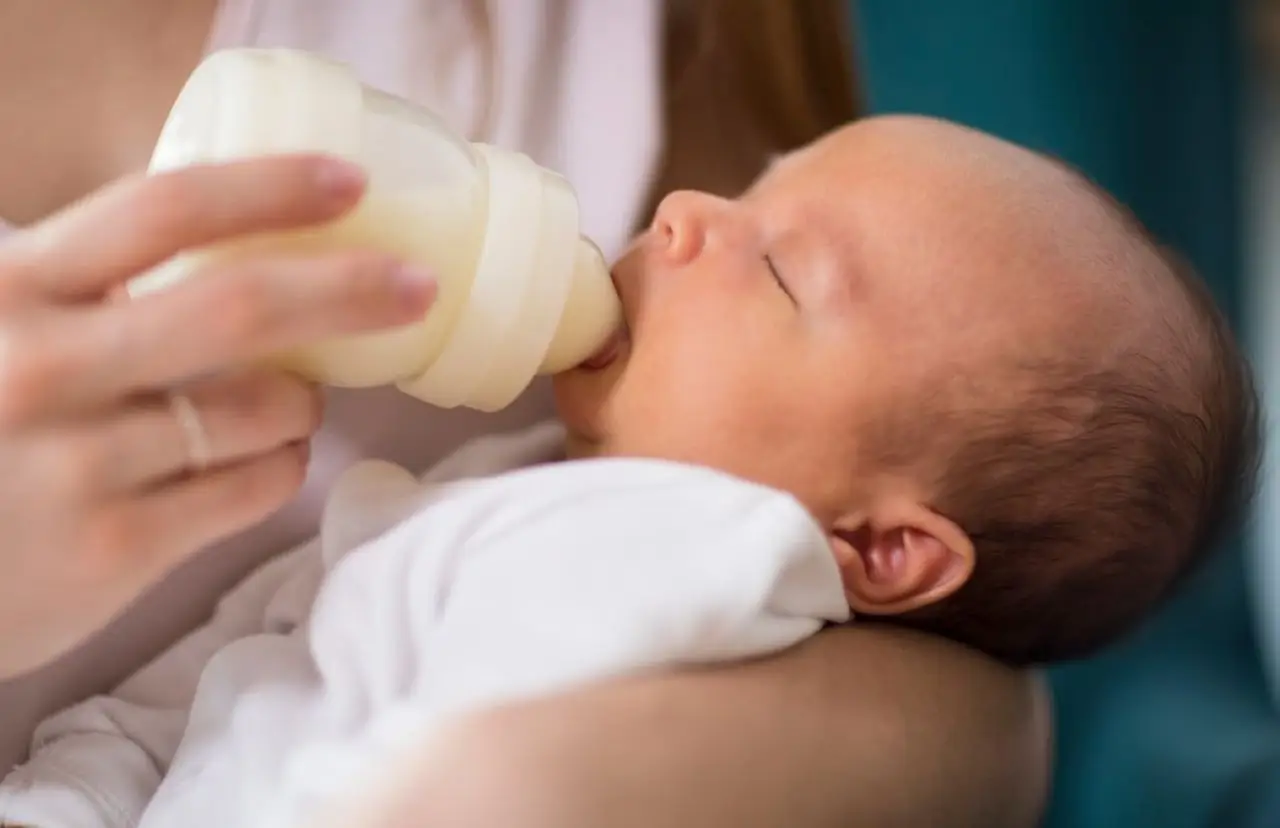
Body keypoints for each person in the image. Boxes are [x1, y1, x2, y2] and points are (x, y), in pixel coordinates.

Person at [0, 115, 1259, 828]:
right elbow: (205, 684)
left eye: (776, 271)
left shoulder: (702, 570)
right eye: (758, 184)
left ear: (880, 550)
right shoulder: (523, 475)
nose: (685, 212)